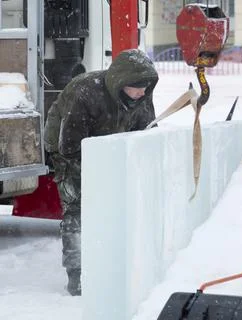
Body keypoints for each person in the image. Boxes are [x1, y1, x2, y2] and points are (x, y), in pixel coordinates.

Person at [44, 49, 159, 296]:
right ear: (122, 83)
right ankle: (78, 275)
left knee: (115, 202)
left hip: (107, 147)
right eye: (137, 88)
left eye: (146, 88)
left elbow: (147, 133)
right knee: (77, 206)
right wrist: (102, 167)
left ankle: (109, 263)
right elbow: (70, 145)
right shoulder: (85, 92)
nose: (142, 93)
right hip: (67, 147)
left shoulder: (142, 95)